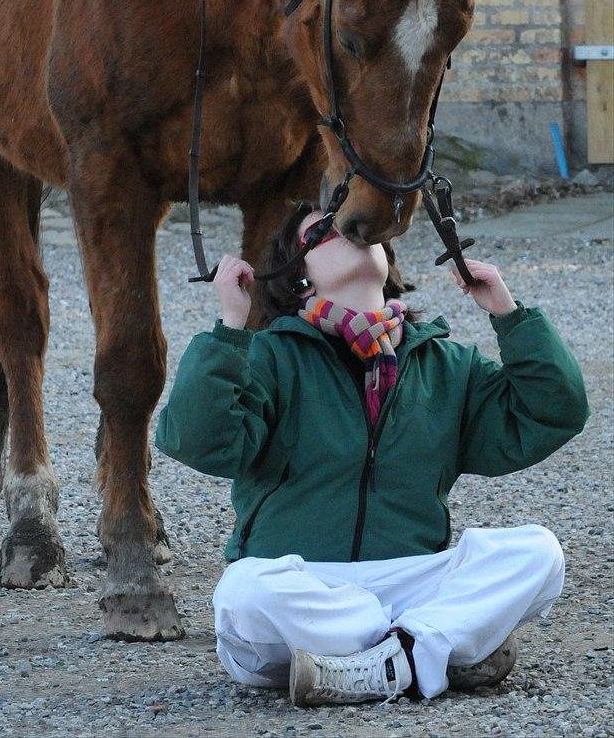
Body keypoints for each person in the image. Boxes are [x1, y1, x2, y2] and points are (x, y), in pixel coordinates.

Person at [155, 201, 589, 707]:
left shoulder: (446, 364)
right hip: (305, 585)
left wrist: (509, 315)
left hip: (407, 579)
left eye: (355, 228)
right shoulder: (269, 355)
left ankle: (382, 662)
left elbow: (553, 411)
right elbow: (196, 438)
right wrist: (231, 324)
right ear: (300, 278)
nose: (346, 230)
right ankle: (432, 647)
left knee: (538, 551)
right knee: (245, 589)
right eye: (322, 230)